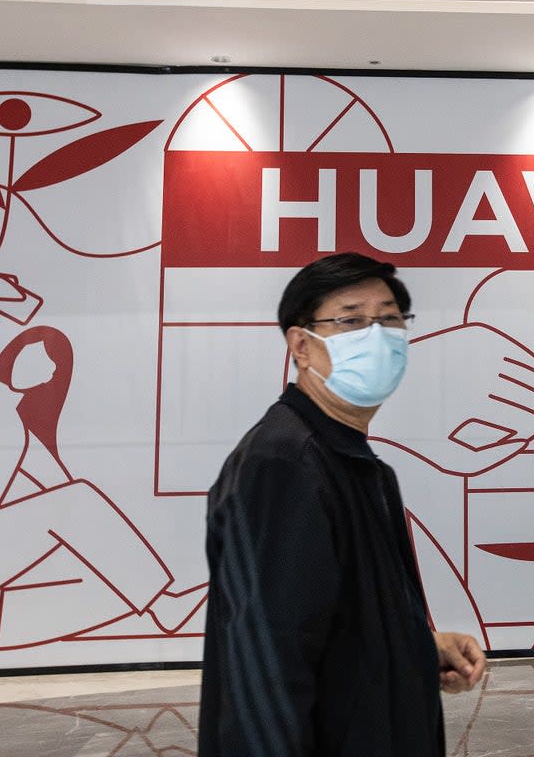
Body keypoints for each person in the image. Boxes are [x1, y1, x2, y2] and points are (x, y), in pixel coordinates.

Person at [197, 252, 487, 757]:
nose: (377, 335)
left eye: (390, 318)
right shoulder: (285, 464)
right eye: (351, 320)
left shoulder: (350, 461)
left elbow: (335, 618)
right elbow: (266, 665)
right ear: (301, 346)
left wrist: (420, 648)